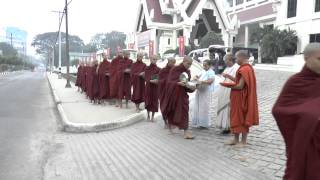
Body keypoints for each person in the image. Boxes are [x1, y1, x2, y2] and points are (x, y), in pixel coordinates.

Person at [272, 43, 320, 180]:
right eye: (319, 59)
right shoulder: (295, 82)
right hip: (304, 143)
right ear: (306, 58)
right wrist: (310, 115)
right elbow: (279, 110)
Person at [220, 50, 259, 147]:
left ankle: (243, 141)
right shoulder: (245, 68)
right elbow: (238, 81)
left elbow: (240, 86)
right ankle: (235, 139)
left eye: (237, 58)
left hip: (242, 98)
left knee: (242, 118)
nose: (235, 60)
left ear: (242, 58)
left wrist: (227, 85)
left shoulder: (245, 69)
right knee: (235, 117)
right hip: (237, 98)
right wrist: (229, 77)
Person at [161, 56, 196, 139]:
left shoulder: (187, 72)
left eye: (190, 64)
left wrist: (192, 87)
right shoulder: (175, 69)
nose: (189, 66)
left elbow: (187, 84)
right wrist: (177, 83)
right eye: (188, 64)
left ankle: (186, 132)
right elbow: (169, 82)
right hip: (173, 94)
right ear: (184, 61)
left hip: (182, 95)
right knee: (172, 111)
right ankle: (171, 126)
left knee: (184, 111)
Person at [216, 54, 239, 134]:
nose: (224, 62)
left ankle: (228, 126)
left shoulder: (236, 68)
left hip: (230, 90)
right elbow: (223, 77)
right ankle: (223, 125)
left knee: (228, 109)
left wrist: (228, 76)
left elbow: (237, 80)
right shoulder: (227, 68)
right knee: (224, 108)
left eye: (225, 60)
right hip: (223, 90)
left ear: (230, 60)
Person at [192, 60, 215, 128]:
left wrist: (201, 81)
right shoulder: (202, 71)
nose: (204, 66)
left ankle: (204, 123)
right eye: (203, 65)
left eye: (205, 65)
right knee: (198, 105)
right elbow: (196, 76)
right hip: (199, 90)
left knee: (204, 106)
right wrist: (195, 77)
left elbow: (210, 81)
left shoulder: (211, 72)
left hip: (206, 91)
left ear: (210, 65)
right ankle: (199, 122)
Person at [158, 57, 176, 128]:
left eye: (174, 63)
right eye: (172, 62)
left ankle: (171, 122)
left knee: (172, 107)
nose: (173, 64)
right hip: (164, 92)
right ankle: (165, 123)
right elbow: (160, 80)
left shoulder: (175, 70)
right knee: (164, 106)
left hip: (172, 92)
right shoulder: (163, 70)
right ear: (168, 62)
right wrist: (167, 81)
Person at [144, 55, 160, 122]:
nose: (155, 61)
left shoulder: (159, 69)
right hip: (148, 87)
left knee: (154, 101)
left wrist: (157, 81)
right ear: (150, 59)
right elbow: (146, 77)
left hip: (155, 87)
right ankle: (148, 115)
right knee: (148, 101)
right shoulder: (147, 68)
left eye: (156, 59)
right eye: (153, 59)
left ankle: (153, 117)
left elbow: (159, 78)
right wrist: (149, 81)